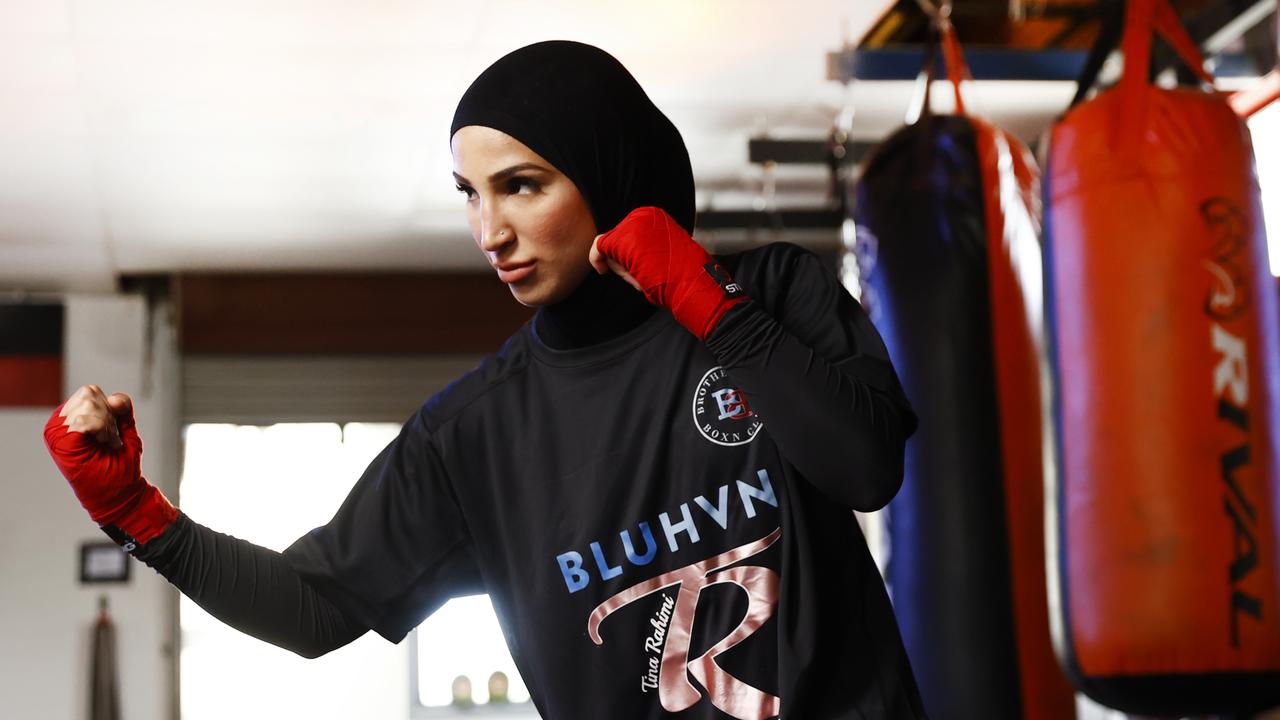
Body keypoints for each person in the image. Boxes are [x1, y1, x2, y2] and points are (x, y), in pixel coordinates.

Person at [44, 41, 926, 719]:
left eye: (522, 186)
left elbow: (865, 467)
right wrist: (136, 517)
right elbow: (315, 609)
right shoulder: (471, 434)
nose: (489, 230)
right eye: (468, 192)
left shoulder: (763, 292)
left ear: (610, 178)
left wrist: (712, 308)